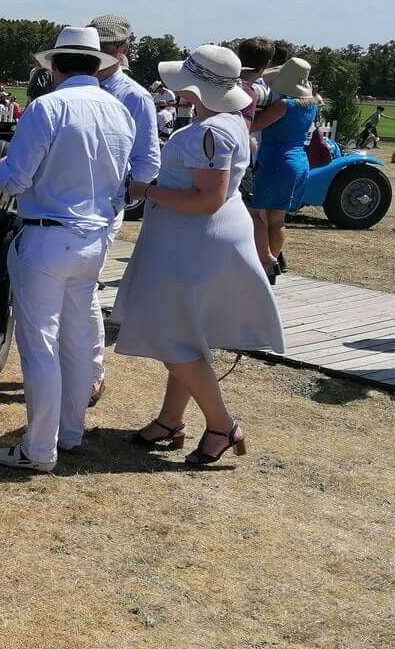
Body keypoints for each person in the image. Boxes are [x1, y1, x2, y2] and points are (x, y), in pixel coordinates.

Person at [0, 27, 134, 472]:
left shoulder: (48, 107)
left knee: (40, 344)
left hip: (47, 235)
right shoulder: (120, 111)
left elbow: (15, 180)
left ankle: (39, 448)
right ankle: (70, 432)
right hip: (94, 238)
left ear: (56, 66)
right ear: (96, 65)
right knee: (77, 340)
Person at [113, 45, 284, 466]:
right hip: (202, 238)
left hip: (196, 242)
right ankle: (172, 419)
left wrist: (144, 190)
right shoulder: (228, 124)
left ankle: (223, 424)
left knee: (172, 333)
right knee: (186, 333)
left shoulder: (210, 131)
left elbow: (208, 199)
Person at [84, 13, 161, 407]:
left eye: (104, 48)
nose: (95, 55)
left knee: (83, 291)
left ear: (121, 52)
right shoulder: (72, 85)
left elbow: (148, 162)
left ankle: (93, 373)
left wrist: (121, 198)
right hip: (68, 203)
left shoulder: (133, 96)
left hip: (101, 208)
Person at [248, 57, 319, 278]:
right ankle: (273, 263)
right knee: (278, 219)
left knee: (256, 214)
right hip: (298, 161)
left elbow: (255, 125)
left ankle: (265, 259)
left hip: (276, 161)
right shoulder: (311, 105)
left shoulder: (283, 105)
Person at [233, 36, 277, 272]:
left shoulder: (225, 84)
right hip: (243, 157)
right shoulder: (253, 92)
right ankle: (266, 257)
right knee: (253, 213)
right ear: (266, 63)